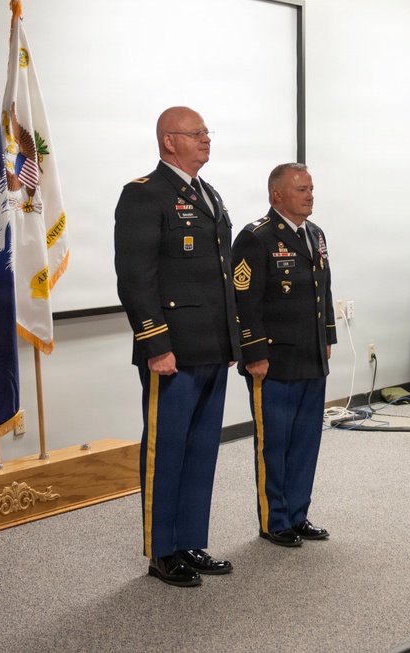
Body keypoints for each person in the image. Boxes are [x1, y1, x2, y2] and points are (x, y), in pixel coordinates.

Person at [114, 106, 239, 587]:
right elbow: (136, 278)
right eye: (196, 133)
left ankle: (191, 541)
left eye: (207, 132)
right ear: (169, 141)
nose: (207, 139)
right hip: (172, 351)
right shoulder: (144, 194)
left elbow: (222, 276)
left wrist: (231, 338)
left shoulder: (208, 194)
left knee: (202, 449)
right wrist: (155, 344)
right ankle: (161, 551)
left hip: (211, 346)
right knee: (166, 450)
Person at [231, 162, 336, 548]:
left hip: (311, 356)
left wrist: (326, 337)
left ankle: (298, 514)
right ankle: (274, 521)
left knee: (306, 442)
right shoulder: (255, 238)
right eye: (301, 190)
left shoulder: (316, 234)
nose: (310, 195)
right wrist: (253, 353)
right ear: (277, 195)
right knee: (273, 444)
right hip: (272, 362)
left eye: (311, 188)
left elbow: (322, 288)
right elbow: (244, 302)